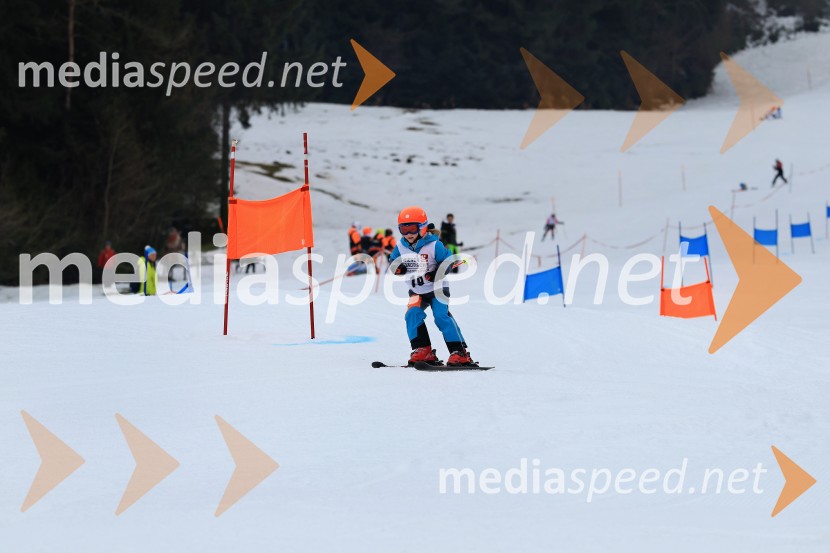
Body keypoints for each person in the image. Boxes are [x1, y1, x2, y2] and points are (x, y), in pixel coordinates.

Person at [389, 206, 477, 367]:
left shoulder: (434, 245)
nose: (408, 234)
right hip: (416, 291)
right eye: (403, 229)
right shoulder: (401, 246)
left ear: (423, 227)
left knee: (441, 316)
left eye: (412, 228)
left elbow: (448, 261)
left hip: (438, 290)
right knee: (412, 314)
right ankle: (423, 350)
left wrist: (438, 272)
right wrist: (397, 268)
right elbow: (393, 261)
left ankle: (459, 352)